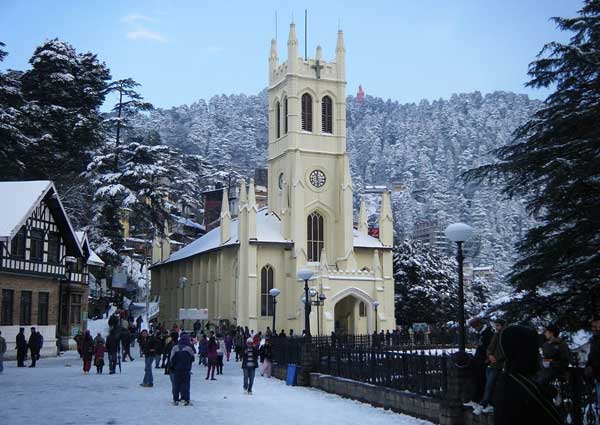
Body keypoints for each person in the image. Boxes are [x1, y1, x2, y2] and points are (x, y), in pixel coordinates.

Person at [493, 324, 562, 425]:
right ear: (525, 353)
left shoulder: (508, 380)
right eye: (534, 350)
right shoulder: (523, 387)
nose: (537, 355)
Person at [477, 318, 506, 414]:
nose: (497, 327)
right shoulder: (496, 335)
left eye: (498, 325)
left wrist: (495, 357)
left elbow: (503, 351)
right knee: (489, 384)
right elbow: (490, 347)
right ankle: (488, 402)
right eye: (496, 325)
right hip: (492, 363)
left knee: (490, 384)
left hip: (498, 364)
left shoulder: (504, 335)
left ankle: (485, 402)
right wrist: (489, 355)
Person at [536, 324, 570, 389]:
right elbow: (541, 359)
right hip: (541, 376)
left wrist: (550, 362)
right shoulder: (544, 345)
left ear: (551, 333)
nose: (545, 333)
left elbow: (565, 361)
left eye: (546, 332)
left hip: (556, 378)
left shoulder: (562, 345)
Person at [469, 318, 494, 404]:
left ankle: (479, 399)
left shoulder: (487, 333)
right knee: (478, 380)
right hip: (480, 360)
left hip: (484, 361)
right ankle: (476, 399)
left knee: (482, 380)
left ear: (480, 325)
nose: (475, 329)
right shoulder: (481, 334)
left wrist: (487, 357)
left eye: (476, 327)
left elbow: (489, 347)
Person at [170, 333, 195, 406]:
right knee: (186, 385)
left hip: (176, 369)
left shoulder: (175, 347)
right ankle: (186, 399)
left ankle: (175, 399)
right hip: (186, 369)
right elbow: (192, 358)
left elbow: (171, 358)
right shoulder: (189, 348)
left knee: (176, 385)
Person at [586, 319, 600, 409]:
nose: (593, 329)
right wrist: (588, 365)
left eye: (596, 326)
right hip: (598, 374)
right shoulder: (593, 340)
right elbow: (591, 355)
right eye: (592, 327)